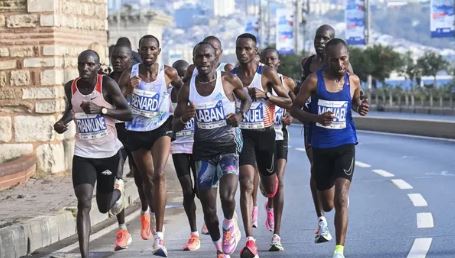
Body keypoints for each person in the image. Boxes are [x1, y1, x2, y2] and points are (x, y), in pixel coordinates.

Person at [291, 38, 369, 258]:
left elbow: (355, 100)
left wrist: (360, 106)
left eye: (344, 59)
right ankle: (326, 220)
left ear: (348, 58)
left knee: (342, 197)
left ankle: (339, 250)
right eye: (335, 60)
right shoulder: (314, 81)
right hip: (321, 148)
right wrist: (316, 117)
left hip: (345, 144)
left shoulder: (353, 80)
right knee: (328, 205)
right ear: (327, 60)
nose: (340, 64)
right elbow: (295, 109)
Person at [173, 42, 252, 258]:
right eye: (199, 57)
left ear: (216, 58)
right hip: (203, 153)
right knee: (208, 208)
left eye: (208, 56)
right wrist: (183, 118)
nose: (204, 61)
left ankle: (230, 224)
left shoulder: (227, 80)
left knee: (227, 197)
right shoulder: (188, 88)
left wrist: (240, 116)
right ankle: (220, 250)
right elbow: (175, 125)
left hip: (227, 148)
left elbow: (246, 99)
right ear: (194, 59)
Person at [53, 50, 133, 257]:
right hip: (83, 153)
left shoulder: (106, 84)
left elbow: (128, 113)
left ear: (98, 66)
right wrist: (63, 123)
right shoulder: (70, 87)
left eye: (90, 65)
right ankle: (84, 255)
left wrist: (102, 110)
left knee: (103, 206)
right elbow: (72, 109)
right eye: (81, 64)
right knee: (84, 202)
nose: (85, 68)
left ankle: (118, 191)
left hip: (108, 154)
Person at [118, 35, 183, 257]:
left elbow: (183, 91)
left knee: (159, 174)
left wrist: (180, 112)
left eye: (152, 49)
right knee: (146, 180)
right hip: (136, 131)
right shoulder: (130, 73)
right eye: (144, 49)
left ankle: (159, 237)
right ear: (139, 50)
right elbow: (116, 99)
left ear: (158, 51)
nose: (148, 52)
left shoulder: (168, 73)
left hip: (160, 127)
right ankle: (149, 210)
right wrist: (127, 89)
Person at [232, 33, 291, 258]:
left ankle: (270, 203)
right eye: (239, 49)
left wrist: (266, 95)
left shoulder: (266, 74)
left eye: (247, 49)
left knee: (269, 187)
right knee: (246, 182)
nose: (243, 53)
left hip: (267, 135)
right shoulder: (232, 77)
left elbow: (288, 101)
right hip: (244, 135)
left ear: (255, 52)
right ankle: (250, 240)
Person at [110, 44, 154, 241]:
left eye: (123, 58)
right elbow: (110, 103)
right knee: (116, 179)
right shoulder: (107, 80)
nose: (118, 61)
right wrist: (127, 89)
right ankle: (122, 229)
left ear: (131, 59)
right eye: (115, 57)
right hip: (115, 133)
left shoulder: (140, 78)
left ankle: (145, 213)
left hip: (135, 131)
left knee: (142, 177)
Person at [300, 24, 336, 243]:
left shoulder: (340, 63)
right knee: (315, 169)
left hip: (334, 125)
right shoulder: (307, 63)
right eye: (317, 38)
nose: (320, 42)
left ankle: (333, 202)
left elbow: (350, 88)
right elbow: (300, 92)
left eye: (325, 38)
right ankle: (321, 222)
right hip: (311, 124)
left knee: (330, 195)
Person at [259, 47, 296, 251]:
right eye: (265, 60)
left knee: (279, 182)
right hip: (260, 137)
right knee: (267, 187)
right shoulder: (255, 81)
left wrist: (291, 116)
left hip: (279, 136)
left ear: (278, 62)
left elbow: (296, 103)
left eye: (272, 59)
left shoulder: (287, 81)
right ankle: (268, 201)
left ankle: (277, 236)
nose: (269, 62)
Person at [170, 59, 201, 251]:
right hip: (179, 147)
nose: (183, 80)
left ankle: (211, 221)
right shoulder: (168, 94)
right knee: (187, 191)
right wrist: (182, 118)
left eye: (188, 76)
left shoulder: (200, 93)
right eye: (180, 76)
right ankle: (194, 233)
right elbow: (170, 125)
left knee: (202, 190)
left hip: (199, 147)